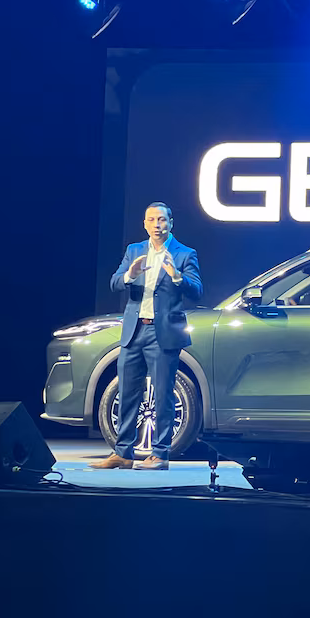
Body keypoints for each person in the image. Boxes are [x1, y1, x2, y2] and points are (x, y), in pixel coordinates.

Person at [90, 202, 203, 471]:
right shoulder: (134, 251)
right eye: (151, 220)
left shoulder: (184, 254)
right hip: (134, 331)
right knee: (128, 392)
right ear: (144, 224)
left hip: (163, 333)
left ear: (171, 223)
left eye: (161, 220)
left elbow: (197, 290)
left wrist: (177, 277)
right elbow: (114, 282)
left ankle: (160, 454)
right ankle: (123, 453)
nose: (156, 225)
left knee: (163, 395)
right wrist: (130, 275)